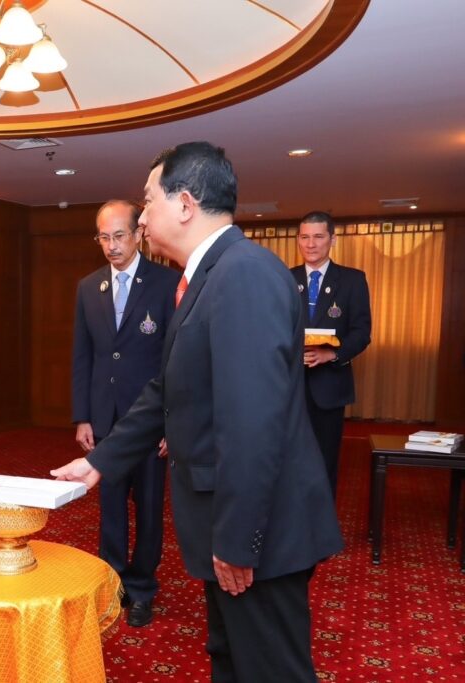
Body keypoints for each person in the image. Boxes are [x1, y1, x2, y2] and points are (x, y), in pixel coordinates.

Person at [52, 142, 342, 682]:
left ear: (185, 204)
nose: (143, 218)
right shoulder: (209, 276)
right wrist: (100, 462)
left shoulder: (243, 275)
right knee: (231, 660)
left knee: (270, 671)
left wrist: (237, 542)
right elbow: (168, 390)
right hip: (233, 524)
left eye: (148, 201)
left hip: (260, 534)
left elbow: (254, 423)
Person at [72, 199, 178, 627]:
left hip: (150, 421)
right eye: (103, 237)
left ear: (138, 234)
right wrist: (83, 416)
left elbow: (175, 360)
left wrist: (171, 421)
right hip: (105, 418)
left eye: (119, 236)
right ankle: (113, 583)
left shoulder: (167, 283)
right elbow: (83, 356)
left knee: (149, 507)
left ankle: (143, 588)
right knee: (110, 506)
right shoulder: (88, 287)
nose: (111, 245)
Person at [291, 211, 372, 498]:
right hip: (289, 387)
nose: (310, 244)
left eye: (318, 237)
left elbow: (361, 333)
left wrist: (331, 355)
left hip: (329, 388)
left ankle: (321, 520)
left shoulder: (352, 280)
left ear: (332, 240)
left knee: (324, 459)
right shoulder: (285, 278)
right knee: (289, 459)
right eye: (304, 237)